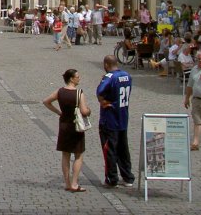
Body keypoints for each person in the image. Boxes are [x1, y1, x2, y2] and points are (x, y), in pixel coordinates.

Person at [43, 68, 92, 192]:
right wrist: (89, 110)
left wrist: (59, 112)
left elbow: (46, 101)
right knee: (78, 154)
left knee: (65, 154)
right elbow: (84, 111)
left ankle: (67, 183)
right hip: (76, 127)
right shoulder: (78, 93)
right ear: (71, 78)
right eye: (77, 76)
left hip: (64, 125)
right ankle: (75, 183)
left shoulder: (60, 92)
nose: (79, 78)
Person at [96, 55, 134, 188]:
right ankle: (128, 176)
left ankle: (112, 178)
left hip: (110, 119)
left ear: (106, 65)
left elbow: (99, 91)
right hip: (123, 117)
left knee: (110, 149)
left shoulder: (109, 77)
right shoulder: (127, 75)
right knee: (123, 148)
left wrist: (103, 101)